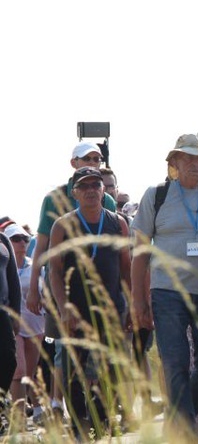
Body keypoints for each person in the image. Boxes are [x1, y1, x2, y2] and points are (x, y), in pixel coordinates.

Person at [130, 133, 198, 440]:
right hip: (168, 294)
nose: (195, 163)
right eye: (188, 157)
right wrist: (138, 301)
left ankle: (178, 425)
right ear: (175, 163)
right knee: (175, 361)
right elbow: (139, 253)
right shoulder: (157, 196)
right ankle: (189, 433)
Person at [26, 142, 117, 420]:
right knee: (63, 346)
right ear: (73, 163)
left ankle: (95, 410)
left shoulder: (107, 200)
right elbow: (41, 247)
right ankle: (56, 403)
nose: (93, 161)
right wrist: (33, 288)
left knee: (98, 354)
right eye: (87, 158)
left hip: (100, 293)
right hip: (60, 285)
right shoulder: (53, 199)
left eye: (97, 158)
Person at [47, 166, 132, 439]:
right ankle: (79, 423)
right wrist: (63, 308)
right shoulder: (62, 226)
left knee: (111, 368)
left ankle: (102, 415)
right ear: (75, 193)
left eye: (96, 185)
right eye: (84, 186)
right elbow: (55, 271)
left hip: (111, 309)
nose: (91, 191)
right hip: (75, 310)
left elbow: (127, 268)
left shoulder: (118, 223)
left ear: (103, 190)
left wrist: (132, 305)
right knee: (72, 370)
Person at [5, 224, 45, 424]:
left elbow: (46, 294)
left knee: (29, 372)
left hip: (36, 325)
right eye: (16, 238)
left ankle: (36, 409)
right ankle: (18, 420)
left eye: (25, 239)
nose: (21, 242)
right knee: (19, 370)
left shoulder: (36, 268)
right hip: (13, 325)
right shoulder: (3, 265)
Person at [0, 230, 21, 434]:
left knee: (9, 359)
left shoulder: (3, 239)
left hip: (3, 312)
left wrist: (16, 313)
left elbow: (13, 279)